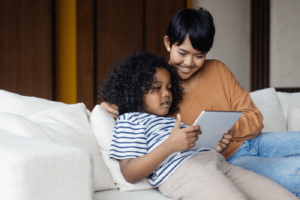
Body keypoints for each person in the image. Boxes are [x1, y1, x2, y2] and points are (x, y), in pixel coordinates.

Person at [101, 8, 300, 198]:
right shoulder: (151, 86)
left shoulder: (217, 70)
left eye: (199, 55)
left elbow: (255, 120)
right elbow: (132, 114)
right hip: (230, 159)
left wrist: (223, 131)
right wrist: (106, 107)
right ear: (168, 43)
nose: (189, 63)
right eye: (182, 53)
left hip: (254, 142)